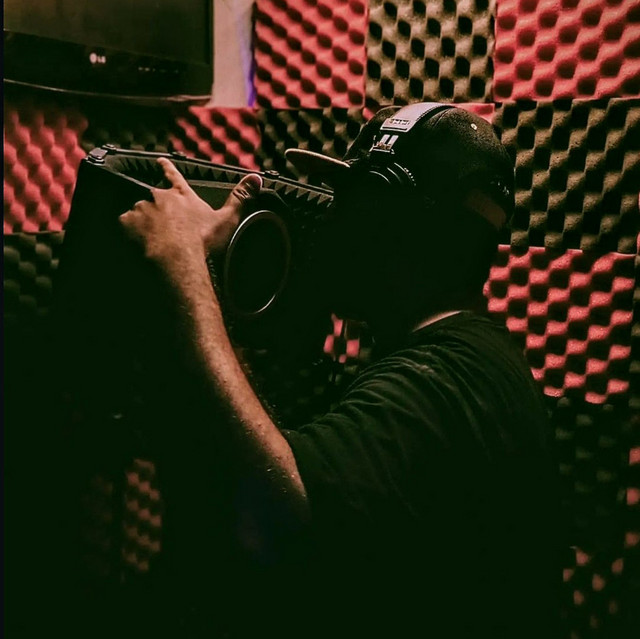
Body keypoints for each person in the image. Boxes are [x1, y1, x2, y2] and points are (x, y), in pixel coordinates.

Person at [120, 103, 562, 638]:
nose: (335, 220)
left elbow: (268, 525)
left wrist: (183, 263)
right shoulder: (468, 359)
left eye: (354, 202)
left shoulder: (442, 381)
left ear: (405, 230)